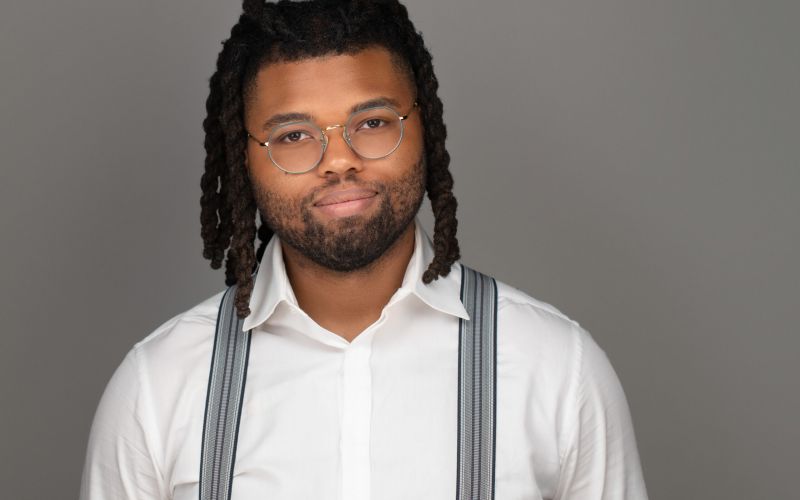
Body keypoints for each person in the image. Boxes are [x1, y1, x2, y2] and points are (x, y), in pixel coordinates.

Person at [79, 1, 649, 499]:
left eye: (372, 122)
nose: (339, 160)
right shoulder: (158, 388)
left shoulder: (557, 369)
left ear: (426, 126)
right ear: (243, 157)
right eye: (293, 135)